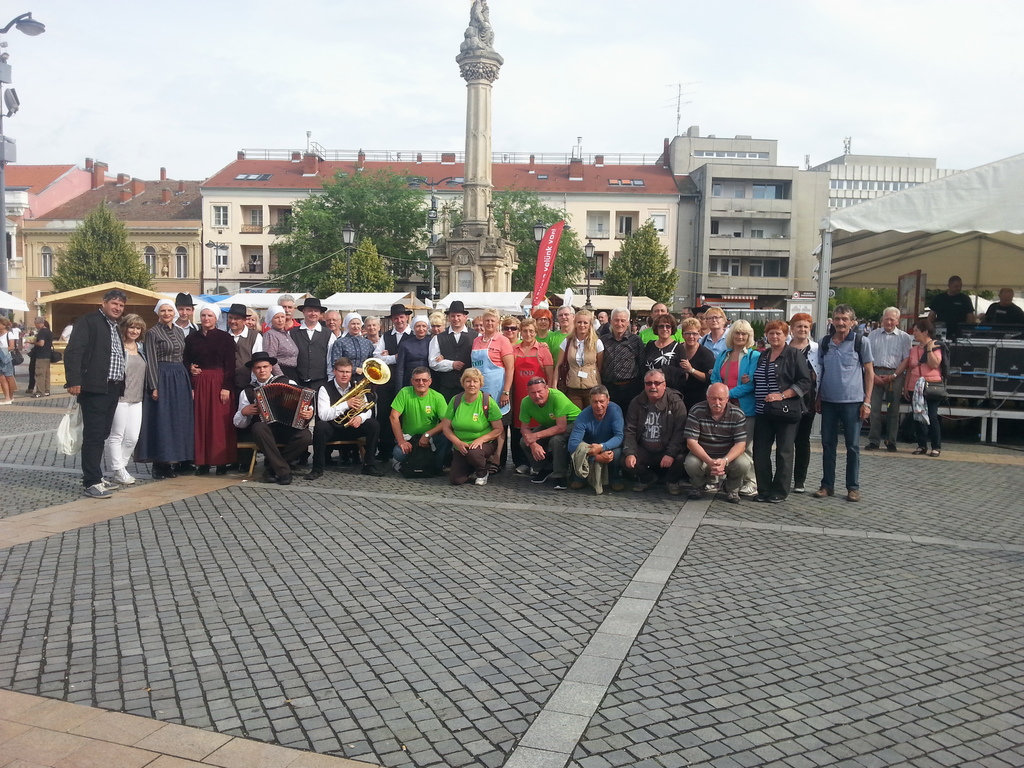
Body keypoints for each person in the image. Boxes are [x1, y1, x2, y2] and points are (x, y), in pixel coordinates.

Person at [64, 289, 128, 499]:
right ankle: (91, 482)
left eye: (121, 305)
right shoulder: (89, 321)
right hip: (94, 387)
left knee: (102, 434)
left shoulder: (115, 325)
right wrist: (74, 380)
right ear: (104, 303)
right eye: (114, 303)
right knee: (93, 435)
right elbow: (74, 351)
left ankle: (97, 477)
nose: (117, 308)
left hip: (112, 388)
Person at [814, 304, 874, 502]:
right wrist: (818, 397)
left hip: (853, 402)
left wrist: (867, 401)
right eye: (837, 319)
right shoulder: (825, 343)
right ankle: (827, 485)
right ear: (832, 321)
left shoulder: (861, 342)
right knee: (828, 444)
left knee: (853, 446)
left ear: (852, 322)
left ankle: (852, 487)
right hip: (828, 401)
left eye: (845, 319)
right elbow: (820, 372)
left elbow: (869, 373)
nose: (840, 322)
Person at [751, 320, 812, 503]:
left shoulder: (794, 354)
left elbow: (805, 382)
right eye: (771, 333)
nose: (775, 336)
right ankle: (764, 489)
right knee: (760, 451)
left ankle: (780, 491)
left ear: (786, 335)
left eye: (779, 333)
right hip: (763, 410)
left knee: (784, 451)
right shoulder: (764, 355)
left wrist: (783, 395)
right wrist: (749, 379)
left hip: (786, 410)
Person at [233, 351, 314, 485]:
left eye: (265, 366)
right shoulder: (248, 391)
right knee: (258, 427)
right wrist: (244, 412)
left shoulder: (288, 382)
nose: (262, 370)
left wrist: (309, 412)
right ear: (253, 370)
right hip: (265, 434)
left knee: (305, 436)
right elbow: (238, 423)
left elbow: (305, 403)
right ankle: (284, 472)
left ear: (271, 367)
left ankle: (272, 470)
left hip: (287, 428)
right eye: (258, 368)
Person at [136, 299, 194, 479]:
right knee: (162, 420)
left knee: (177, 420)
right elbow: (151, 360)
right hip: (163, 376)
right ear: (158, 313)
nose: (167, 314)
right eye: (163, 311)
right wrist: (154, 386)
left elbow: (183, 356)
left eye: (169, 310)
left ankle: (174, 460)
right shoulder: (152, 333)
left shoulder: (179, 331)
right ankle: (159, 464)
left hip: (180, 376)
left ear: (174, 312)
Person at [306, 356, 384, 480]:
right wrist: (346, 404)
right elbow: (323, 415)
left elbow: (367, 410)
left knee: (373, 424)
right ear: (334, 371)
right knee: (320, 426)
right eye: (341, 371)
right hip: (333, 429)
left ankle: (369, 465)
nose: (344, 375)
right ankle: (317, 469)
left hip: (352, 427)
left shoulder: (357, 386)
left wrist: (360, 418)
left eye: (347, 372)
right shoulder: (324, 388)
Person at [184, 306, 237, 475]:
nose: (206, 318)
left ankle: (221, 462)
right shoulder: (192, 338)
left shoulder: (225, 338)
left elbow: (230, 365)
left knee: (219, 423)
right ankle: (202, 462)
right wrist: (190, 369)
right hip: (200, 383)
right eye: (203, 315)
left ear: (216, 318)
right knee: (201, 423)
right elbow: (186, 361)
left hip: (219, 382)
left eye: (209, 315)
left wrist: (226, 387)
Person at [710, 319, 760, 495]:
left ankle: (751, 481)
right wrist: (720, 395)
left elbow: (751, 384)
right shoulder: (724, 355)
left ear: (749, 336)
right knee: (721, 443)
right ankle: (721, 478)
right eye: (737, 333)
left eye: (744, 333)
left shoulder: (754, 356)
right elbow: (715, 377)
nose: (740, 336)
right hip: (723, 408)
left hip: (744, 408)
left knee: (745, 446)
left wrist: (727, 394)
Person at [684, 383, 751, 503]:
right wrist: (709, 461)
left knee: (744, 463)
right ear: (707, 397)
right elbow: (691, 442)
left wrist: (725, 460)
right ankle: (697, 485)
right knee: (691, 463)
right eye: (713, 398)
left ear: (727, 399)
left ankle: (732, 489)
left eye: (721, 399)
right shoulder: (696, 410)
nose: (717, 402)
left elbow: (740, 445)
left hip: (727, 456)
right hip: (703, 455)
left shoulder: (737, 414)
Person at [623, 369, 688, 493]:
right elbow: (630, 430)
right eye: (649, 383)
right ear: (644, 385)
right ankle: (647, 479)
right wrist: (630, 452)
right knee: (624, 459)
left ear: (664, 385)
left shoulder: (676, 402)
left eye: (657, 383)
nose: (653, 386)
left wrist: (670, 453)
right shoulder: (636, 402)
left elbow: (680, 432)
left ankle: (672, 481)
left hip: (666, 449)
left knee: (682, 458)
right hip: (644, 449)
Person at [103, 314, 147, 485]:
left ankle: (120, 467)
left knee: (133, 438)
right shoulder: (118, 347)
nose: (134, 331)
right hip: (120, 397)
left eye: (138, 328)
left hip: (137, 397)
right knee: (117, 435)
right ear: (125, 328)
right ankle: (119, 470)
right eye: (131, 327)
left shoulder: (141, 348)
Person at [441, 367, 503, 486]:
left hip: (483, 444)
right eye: (468, 381)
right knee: (456, 480)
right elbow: (446, 428)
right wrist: (457, 442)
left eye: (475, 381)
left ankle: (482, 472)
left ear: (481, 384)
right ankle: (471, 467)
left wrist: (481, 439)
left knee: (474, 453)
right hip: (461, 446)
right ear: (463, 383)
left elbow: (498, 429)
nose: (472, 384)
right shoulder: (455, 400)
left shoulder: (487, 401)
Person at [519, 376, 580, 488]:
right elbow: (524, 428)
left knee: (556, 440)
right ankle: (546, 467)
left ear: (546, 388)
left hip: (572, 422)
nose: (537, 396)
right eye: (533, 393)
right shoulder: (525, 402)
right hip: (550, 423)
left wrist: (535, 436)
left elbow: (561, 427)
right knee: (524, 441)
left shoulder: (557, 397)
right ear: (528, 392)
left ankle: (560, 475)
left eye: (539, 391)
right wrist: (533, 444)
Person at [510, 317, 554, 473]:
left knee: (537, 428)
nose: (528, 334)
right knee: (518, 428)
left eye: (531, 331)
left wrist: (550, 394)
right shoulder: (514, 350)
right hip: (519, 395)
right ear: (520, 332)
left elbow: (550, 375)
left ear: (536, 332)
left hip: (539, 396)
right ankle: (521, 462)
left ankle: (538, 463)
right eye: (525, 331)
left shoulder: (543, 350)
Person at [866, 307, 912, 452]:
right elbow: (866, 357)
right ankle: (874, 440)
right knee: (874, 409)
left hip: (895, 375)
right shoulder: (872, 335)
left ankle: (891, 441)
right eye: (886, 319)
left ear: (898, 321)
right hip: (875, 372)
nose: (889, 322)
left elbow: (906, 359)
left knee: (893, 410)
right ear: (882, 319)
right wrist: (872, 375)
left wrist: (894, 376)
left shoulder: (904, 337)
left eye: (892, 319)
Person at [389, 366, 450, 474]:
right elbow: (393, 417)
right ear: (412, 381)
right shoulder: (405, 392)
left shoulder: (438, 397)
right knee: (399, 453)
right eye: (417, 380)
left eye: (424, 380)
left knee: (446, 438)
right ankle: (404, 462)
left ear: (430, 381)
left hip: (431, 439)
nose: (421, 383)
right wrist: (401, 441)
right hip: (409, 438)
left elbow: (446, 421)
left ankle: (437, 467)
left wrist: (427, 435)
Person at [567, 385, 624, 493]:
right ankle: (580, 477)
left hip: (608, 446)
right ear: (590, 401)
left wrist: (602, 447)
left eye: (602, 401)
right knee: (577, 448)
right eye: (595, 402)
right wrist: (596, 457)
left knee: (616, 452)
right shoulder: (583, 415)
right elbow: (573, 444)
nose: (598, 405)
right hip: (590, 447)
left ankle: (615, 478)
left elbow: (619, 436)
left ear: (608, 400)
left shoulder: (615, 410)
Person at [788, 313, 820, 494]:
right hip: (787, 399)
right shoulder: (784, 347)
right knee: (786, 440)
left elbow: (821, 374)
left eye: (806, 326)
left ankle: (800, 480)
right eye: (799, 326)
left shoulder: (816, 349)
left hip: (808, 400)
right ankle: (784, 477)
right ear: (792, 329)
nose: (802, 329)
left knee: (802, 440)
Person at [376, 303, 412, 459]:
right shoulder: (386, 336)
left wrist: (388, 357)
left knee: (406, 414)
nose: (399, 320)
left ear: (407, 318)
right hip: (388, 382)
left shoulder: (413, 335)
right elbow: (377, 357)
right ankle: (385, 449)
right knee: (385, 414)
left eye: (401, 317)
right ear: (392, 319)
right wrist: (394, 358)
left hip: (408, 380)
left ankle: (405, 448)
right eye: (396, 318)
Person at [905, 319, 944, 457]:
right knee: (918, 416)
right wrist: (906, 386)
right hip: (915, 386)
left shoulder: (936, 347)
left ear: (925, 332)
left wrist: (928, 349)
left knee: (932, 416)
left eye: (916, 330)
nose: (914, 333)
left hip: (931, 386)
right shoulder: (913, 349)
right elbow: (910, 368)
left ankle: (936, 446)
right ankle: (921, 445)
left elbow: (934, 364)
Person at [429, 300, 478, 402]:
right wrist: (451, 364)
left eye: (458, 316)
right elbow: (433, 362)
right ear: (448, 318)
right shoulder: (438, 338)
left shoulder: (477, 336)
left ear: (465, 317)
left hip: (470, 387)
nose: (456, 319)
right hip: (447, 387)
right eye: (453, 316)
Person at [600, 308, 644, 416]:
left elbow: (641, 363)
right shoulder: (603, 340)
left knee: (630, 418)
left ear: (628, 322)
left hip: (630, 388)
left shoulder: (636, 340)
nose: (619, 324)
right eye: (616, 320)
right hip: (609, 388)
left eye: (623, 320)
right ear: (611, 321)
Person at [557, 310, 604, 409]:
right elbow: (559, 365)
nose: (582, 325)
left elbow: (599, 366)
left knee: (591, 415)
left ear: (590, 325)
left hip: (592, 388)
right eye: (579, 322)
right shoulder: (567, 342)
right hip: (572, 387)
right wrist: (554, 385)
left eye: (585, 322)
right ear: (575, 323)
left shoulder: (597, 343)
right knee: (576, 416)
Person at [289, 297, 330, 392]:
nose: (313, 313)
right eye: (310, 310)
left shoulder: (328, 334)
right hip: (298, 381)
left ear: (320, 313)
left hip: (321, 382)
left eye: (316, 311)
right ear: (304, 312)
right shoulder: (292, 333)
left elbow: (330, 359)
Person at [676, 317, 715, 412]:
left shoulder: (706, 354)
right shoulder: (677, 349)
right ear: (683, 335)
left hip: (698, 399)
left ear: (699, 334)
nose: (691, 336)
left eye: (694, 333)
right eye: (687, 333)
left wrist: (691, 370)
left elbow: (710, 378)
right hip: (678, 397)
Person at [643, 312, 685, 391]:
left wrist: (665, 370)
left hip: (670, 390)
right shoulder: (650, 345)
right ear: (656, 328)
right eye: (661, 326)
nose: (665, 329)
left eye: (668, 326)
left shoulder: (678, 347)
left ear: (672, 328)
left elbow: (683, 373)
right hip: (650, 388)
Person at [226, 302, 263, 390]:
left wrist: (253, 383)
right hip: (227, 385)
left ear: (244, 320)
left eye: (236, 318)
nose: (232, 321)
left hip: (248, 384)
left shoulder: (255, 336)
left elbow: (257, 361)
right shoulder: (224, 336)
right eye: (230, 317)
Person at [330, 313, 375, 381]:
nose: (356, 326)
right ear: (347, 325)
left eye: (358, 324)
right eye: (353, 324)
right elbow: (336, 362)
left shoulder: (368, 343)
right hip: (346, 378)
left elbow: (372, 360)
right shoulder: (340, 342)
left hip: (364, 378)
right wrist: (354, 369)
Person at [263, 305, 300, 381]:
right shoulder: (271, 334)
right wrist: (281, 377)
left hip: (292, 372)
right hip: (282, 371)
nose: (280, 320)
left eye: (282, 317)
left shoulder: (286, 334)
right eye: (277, 318)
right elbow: (271, 358)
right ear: (271, 319)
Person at [395, 315, 432, 389]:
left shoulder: (432, 342)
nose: (421, 329)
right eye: (418, 326)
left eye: (424, 326)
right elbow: (400, 369)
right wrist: (399, 389)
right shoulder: (405, 344)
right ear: (413, 328)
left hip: (428, 380)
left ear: (427, 327)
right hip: (409, 380)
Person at [27, 317, 52, 398]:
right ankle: (47, 390)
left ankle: (39, 392)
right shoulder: (48, 331)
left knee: (39, 374)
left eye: (35, 323)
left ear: (38, 323)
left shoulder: (42, 332)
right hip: (47, 355)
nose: (35, 325)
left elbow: (41, 343)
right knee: (46, 374)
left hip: (41, 355)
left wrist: (32, 342)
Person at [0, 317, 13, 404]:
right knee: (2, 378)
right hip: (0, 357)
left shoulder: (9, 334)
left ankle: (10, 397)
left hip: (6, 358)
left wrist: (1, 350)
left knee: (9, 377)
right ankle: (7, 397)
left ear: (4, 325)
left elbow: (11, 347)